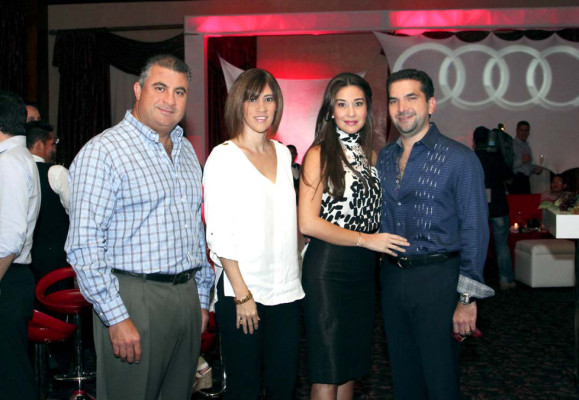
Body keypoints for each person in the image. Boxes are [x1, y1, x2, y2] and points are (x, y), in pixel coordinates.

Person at [65, 54, 214, 400]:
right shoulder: (104, 151)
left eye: (179, 92)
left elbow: (195, 229)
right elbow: (84, 244)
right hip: (133, 298)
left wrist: (200, 299)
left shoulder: (186, 151)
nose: (169, 99)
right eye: (160, 88)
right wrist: (116, 317)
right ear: (138, 90)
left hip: (185, 296)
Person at [377, 69, 495, 400]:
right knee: (403, 379)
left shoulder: (460, 159)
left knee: (440, 379)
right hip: (392, 279)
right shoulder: (384, 158)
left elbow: (475, 229)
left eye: (411, 98)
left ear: (430, 104)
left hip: (439, 280)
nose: (402, 108)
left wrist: (466, 299)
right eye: (394, 101)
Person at [299, 72, 409, 400]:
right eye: (342, 104)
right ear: (330, 110)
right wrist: (367, 239)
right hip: (327, 269)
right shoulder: (319, 153)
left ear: (368, 109)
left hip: (363, 271)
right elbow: (307, 223)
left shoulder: (371, 156)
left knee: (350, 366)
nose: (350, 112)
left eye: (358, 104)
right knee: (327, 368)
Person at [203, 68, 305, 399]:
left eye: (269, 98)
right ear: (239, 104)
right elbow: (219, 233)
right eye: (252, 98)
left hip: (286, 292)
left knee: (283, 386)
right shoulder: (224, 157)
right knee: (244, 389)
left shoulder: (282, 153)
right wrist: (242, 295)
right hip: (243, 292)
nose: (261, 107)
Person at [0, 91, 41, 400]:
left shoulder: (9, 162)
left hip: (8, 275)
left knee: (10, 375)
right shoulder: (18, 157)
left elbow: (9, 239)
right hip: (13, 274)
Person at [26, 121, 71, 284]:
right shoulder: (55, 172)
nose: (54, 149)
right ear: (39, 145)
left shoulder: (15, 170)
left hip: (25, 259)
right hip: (54, 259)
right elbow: (76, 211)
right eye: (52, 144)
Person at [473, 126, 516, 290]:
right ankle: (506, 279)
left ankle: (476, 280)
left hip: (478, 207)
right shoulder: (497, 156)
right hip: (498, 205)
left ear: (474, 141)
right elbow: (510, 180)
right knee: (502, 245)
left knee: (476, 245)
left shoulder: (471, 158)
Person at [509, 120, 542, 194]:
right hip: (516, 180)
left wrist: (535, 169)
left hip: (525, 180)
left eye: (526, 130)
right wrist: (522, 160)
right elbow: (508, 165)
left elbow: (526, 166)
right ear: (517, 131)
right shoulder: (512, 145)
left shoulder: (527, 146)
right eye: (521, 130)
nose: (524, 133)